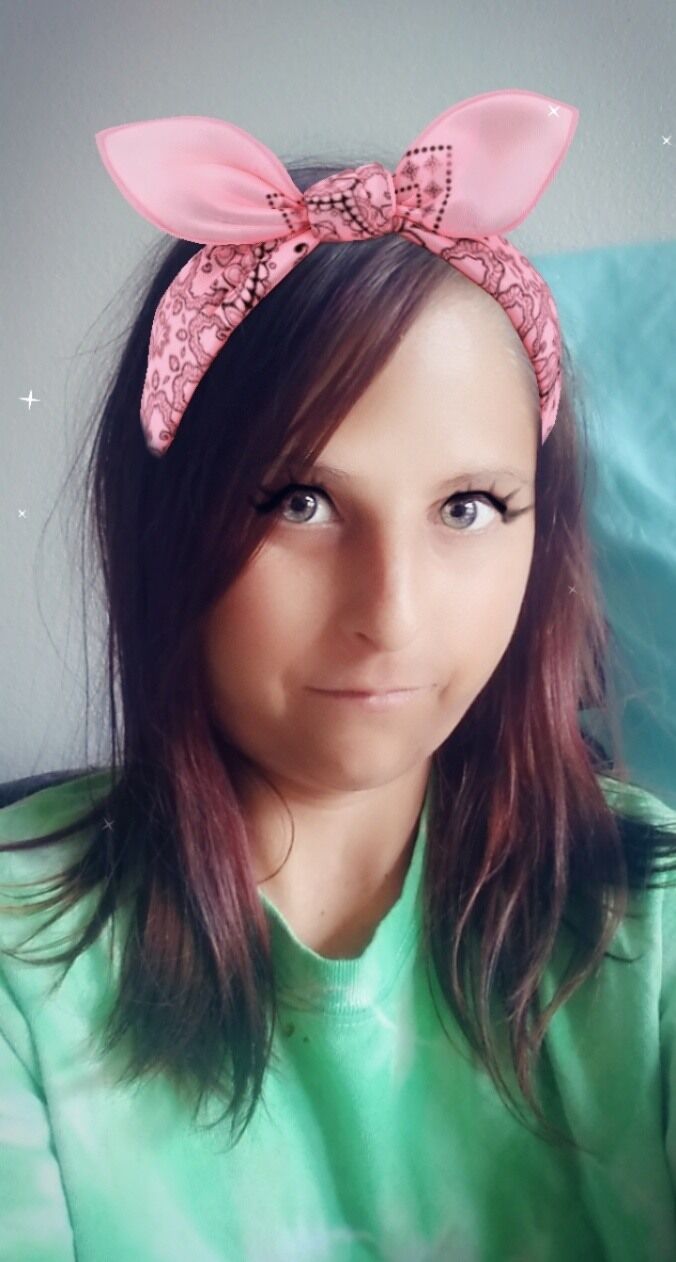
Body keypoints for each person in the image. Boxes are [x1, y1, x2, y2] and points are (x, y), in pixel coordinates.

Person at [2, 96, 676, 1261]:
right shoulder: (21, 957)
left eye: (468, 506)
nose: (391, 613)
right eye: (301, 502)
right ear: (167, 523)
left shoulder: (648, 927)